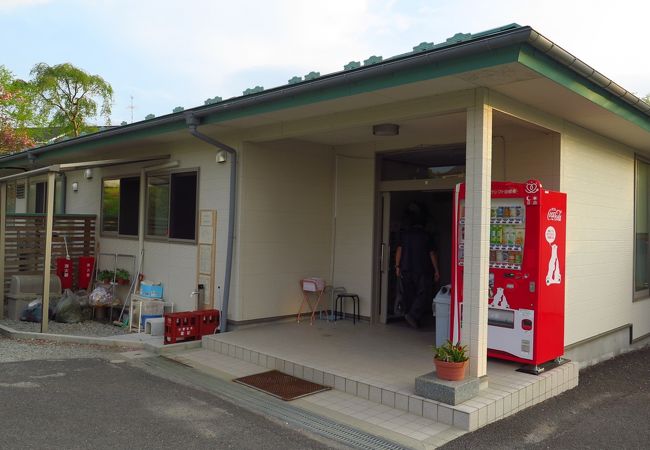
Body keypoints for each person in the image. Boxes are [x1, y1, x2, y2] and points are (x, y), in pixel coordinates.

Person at [395, 203, 440, 329]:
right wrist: (436, 270)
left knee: (409, 293)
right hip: (422, 269)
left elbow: (399, 250)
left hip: (406, 268)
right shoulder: (426, 235)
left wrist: (397, 266)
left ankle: (411, 316)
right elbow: (432, 254)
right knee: (423, 294)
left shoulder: (405, 235)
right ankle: (413, 315)